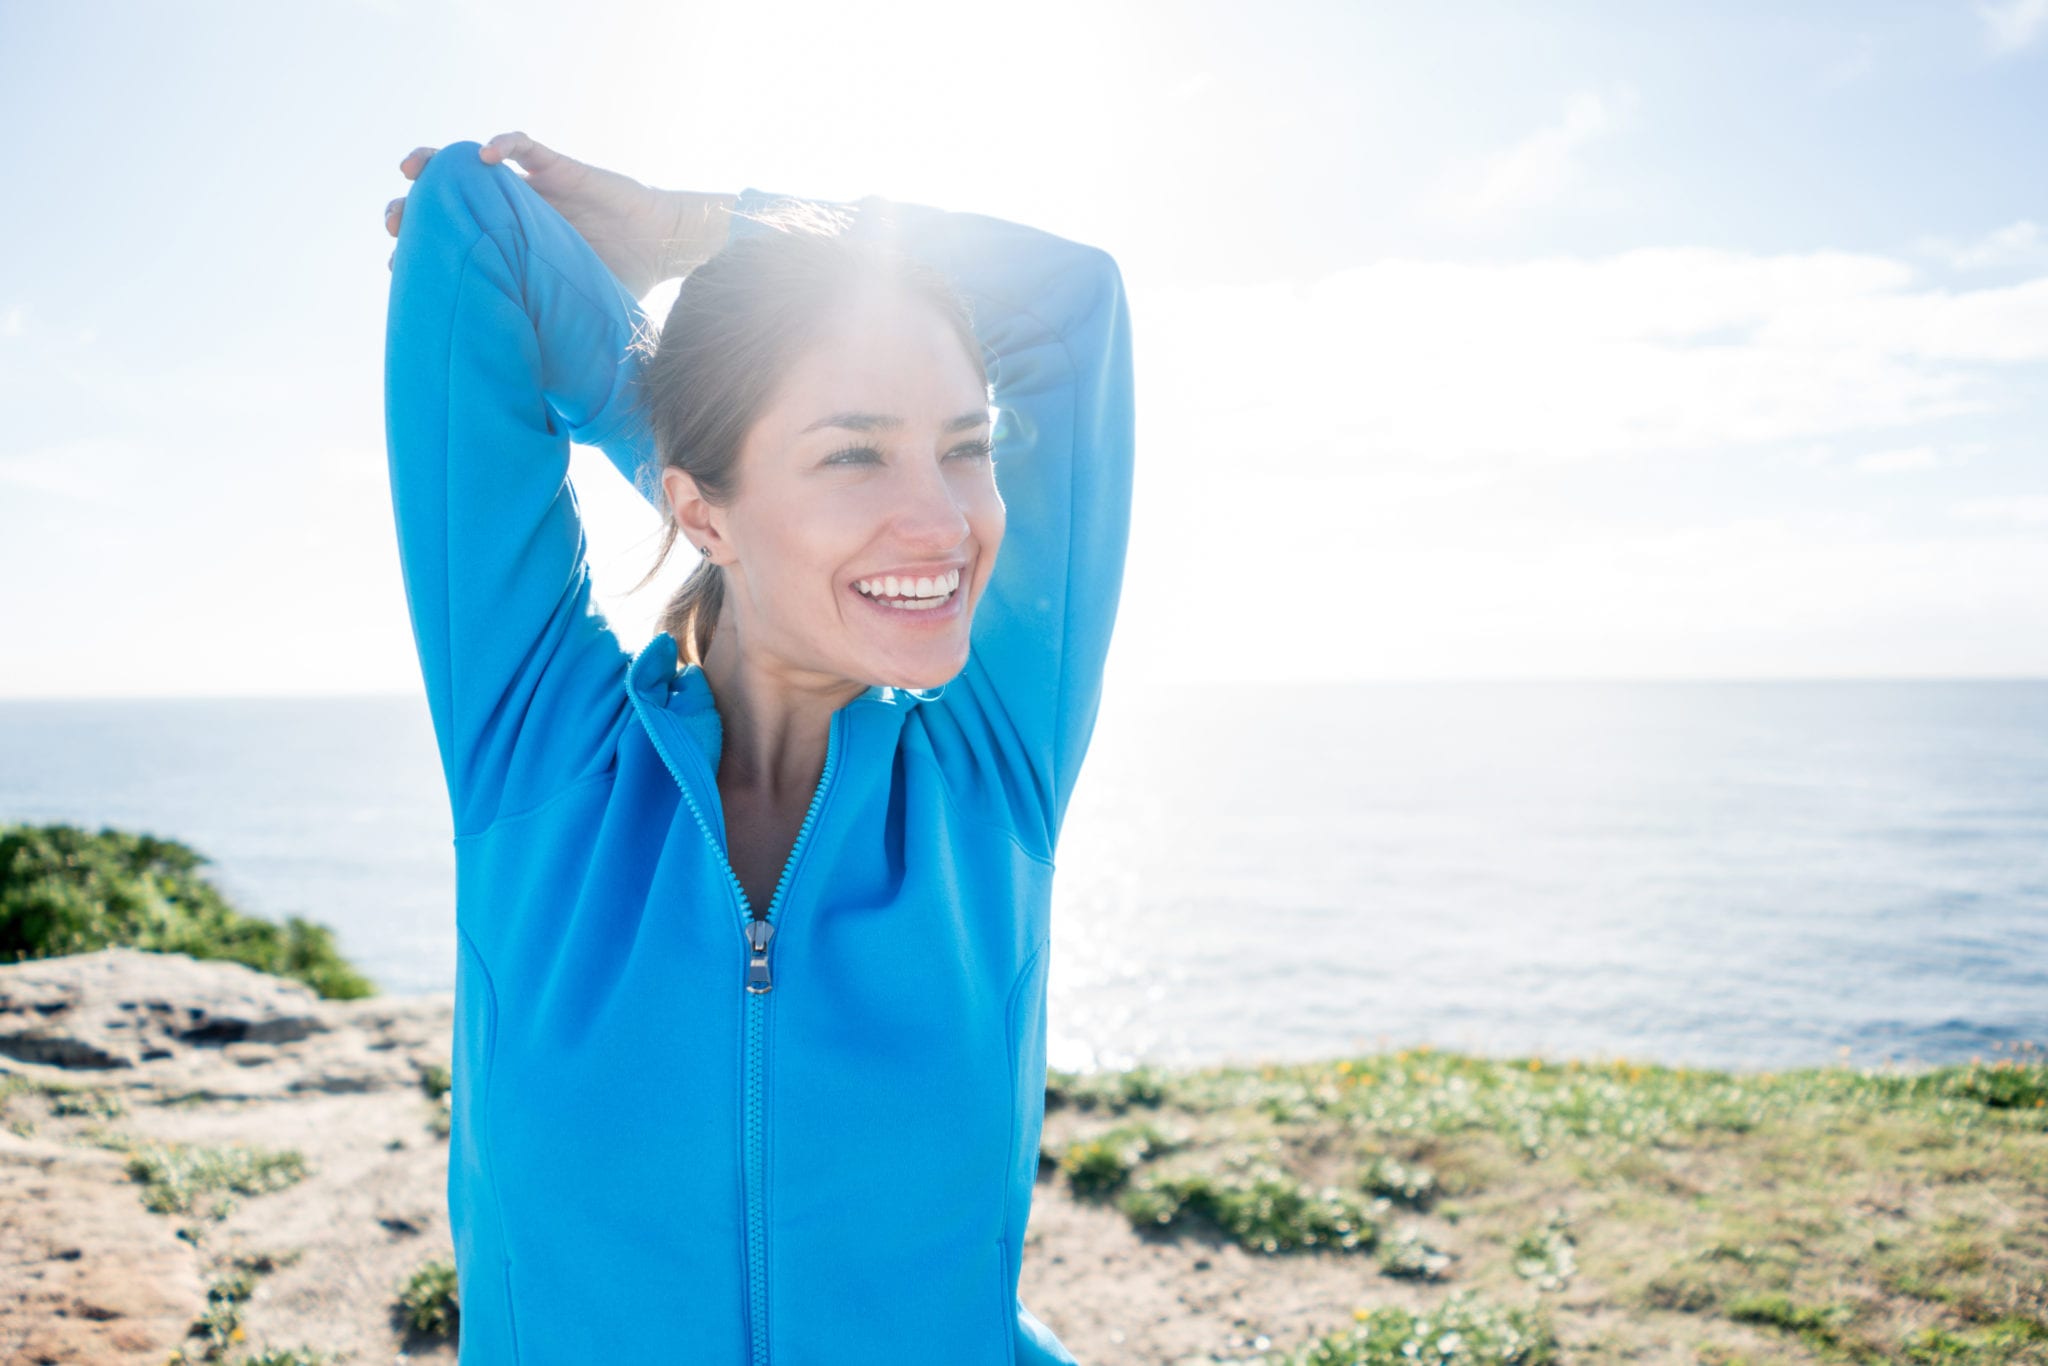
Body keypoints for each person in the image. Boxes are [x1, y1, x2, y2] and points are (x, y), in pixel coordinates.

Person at [380, 131, 1134, 1364]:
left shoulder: (991, 774)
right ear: (692, 507)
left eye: (963, 444)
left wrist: (695, 233)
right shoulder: (538, 757)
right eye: (852, 452)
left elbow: (1070, 303)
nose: (945, 523)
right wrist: (712, 444)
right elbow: (473, 226)